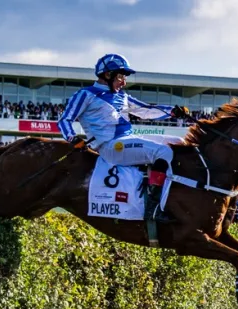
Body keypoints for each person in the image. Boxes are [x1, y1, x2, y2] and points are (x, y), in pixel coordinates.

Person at [57, 54, 190, 221]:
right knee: (163, 152)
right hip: (111, 147)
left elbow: (145, 110)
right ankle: (152, 208)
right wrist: (72, 138)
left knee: (178, 143)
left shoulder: (123, 96)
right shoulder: (85, 94)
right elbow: (65, 119)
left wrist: (172, 111)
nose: (124, 82)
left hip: (128, 139)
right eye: (120, 77)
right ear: (107, 75)